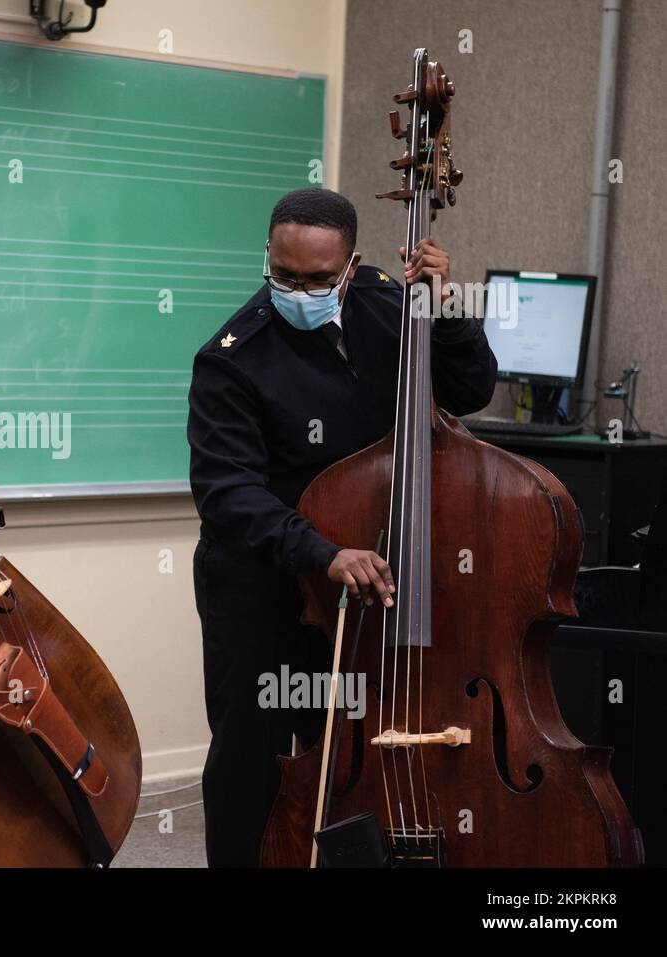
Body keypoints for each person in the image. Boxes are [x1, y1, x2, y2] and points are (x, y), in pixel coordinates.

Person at [187, 188, 497, 867]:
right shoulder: (231, 357)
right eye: (283, 275)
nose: (297, 291)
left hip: (372, 571)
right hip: (263, 580)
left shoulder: (394, 301)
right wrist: (320, 551)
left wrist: (442, 309)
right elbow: (228, 494)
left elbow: (471, 390)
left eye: (318, 280)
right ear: (268, 258)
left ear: (351, 266)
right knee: (253, 755)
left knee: (357, 741)